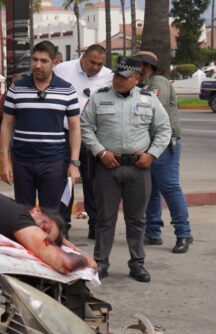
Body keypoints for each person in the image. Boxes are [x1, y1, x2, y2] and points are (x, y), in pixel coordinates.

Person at [80, 57, 171, 282]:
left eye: (125, 77)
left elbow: (164, 129)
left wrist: (152, 154)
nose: (119, 80)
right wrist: (101, 152)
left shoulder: (148, 100)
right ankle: (101, 263)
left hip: (138, 168)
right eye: (117, 76)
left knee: (137, 219)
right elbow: (85, 127)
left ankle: (137, 264)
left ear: (137, 78)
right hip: (107, 167)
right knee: (104, 218)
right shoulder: (99, 97)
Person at [0, 41, 82, 214]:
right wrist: (4, 160)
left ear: (54, 63)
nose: (38, 65)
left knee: (50, 214)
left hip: (53, 161)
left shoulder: (67, 90)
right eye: (35, 60)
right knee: (23, 213)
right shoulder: (16, 88)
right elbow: (7, 125)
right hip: (22, 161)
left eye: (44, 61)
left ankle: (48, 242)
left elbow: (75, 128)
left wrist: (74, 163)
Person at [134, 51, 194, 254]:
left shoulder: (158, 83)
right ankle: (153, 232)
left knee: (169, 187)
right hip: (150, 145)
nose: (134, 70)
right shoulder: (145, 84)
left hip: (164, 143)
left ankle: (183, 233)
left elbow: (152, 110)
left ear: (146, 67)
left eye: (137, 66)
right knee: (151, 190)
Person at [54, 44, 113, 240]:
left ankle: (95, 225)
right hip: (64, 134)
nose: (96, 67)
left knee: (93, 183)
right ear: (83, 58)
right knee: (65, 182)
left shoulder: (109, 76)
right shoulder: (63, 70)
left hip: (92, 137)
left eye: (99, 64)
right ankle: (63, 225)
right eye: (92, 62)